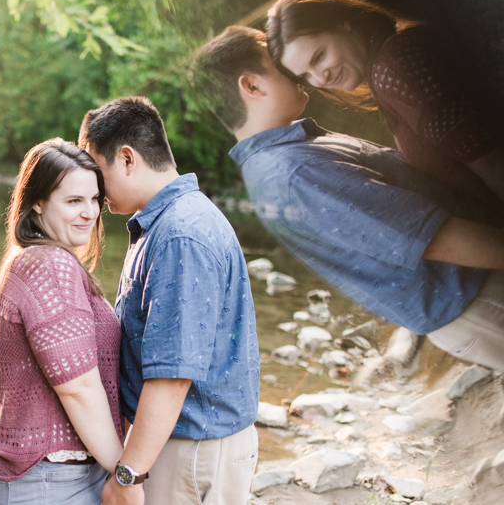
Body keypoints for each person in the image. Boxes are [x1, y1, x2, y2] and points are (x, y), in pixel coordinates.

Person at [191, 25, 504, 372]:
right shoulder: (294, 172)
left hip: (473, 286)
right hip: (476, 296)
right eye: (280, 64)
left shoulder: (289, 152)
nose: (300, 73)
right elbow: (431, 238)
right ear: (252, 85)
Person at [77, 96, 260, 505]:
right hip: (187, 443)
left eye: (96, 171)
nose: (92, 188)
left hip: (191, 450)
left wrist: (128, 476)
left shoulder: (180, 235)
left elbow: (172, 375)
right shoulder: (167, 222)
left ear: (127, 159)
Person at [0, 138, 124, 505]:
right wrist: (125, 474)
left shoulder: (34, 258)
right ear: (38, 202)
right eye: (74, 201)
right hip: (52, 481)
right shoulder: (50, 265)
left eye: (94, 199)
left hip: (47, 477)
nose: (89, 212)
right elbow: (78, 388)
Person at [264, 0, 504, 209]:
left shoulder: (395, 67)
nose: (320, 78)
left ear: (343, 23)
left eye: (319, 56)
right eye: (305, 75)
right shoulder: (393, 56)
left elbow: (492, 162)